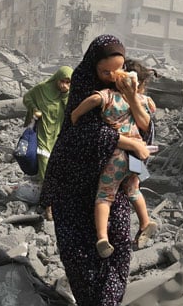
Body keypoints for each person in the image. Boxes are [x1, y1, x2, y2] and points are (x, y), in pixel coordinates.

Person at [40, 34, 150, 305]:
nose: (112, 76)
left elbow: (147, 130)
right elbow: (80, 130)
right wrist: (128, 143)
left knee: (119, 246)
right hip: (75, 185)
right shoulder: (83, 85)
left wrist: (132, 97)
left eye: (117, 70)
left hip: (114, 181)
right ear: (93, 66)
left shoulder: (127, 87)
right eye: (105, 71)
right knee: (81, 256)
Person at [70, 59, 158, 258]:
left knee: (104, 195)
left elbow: (93, 101)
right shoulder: (143, 100)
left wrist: (75, 114)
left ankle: (102, 237)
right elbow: (149, 112)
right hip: (137, 155)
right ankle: (145, 222)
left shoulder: (109, 96)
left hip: (117, 154)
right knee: (134, 189)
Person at [22, 66, 73, 181]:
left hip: (59, 131)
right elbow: (27, 98)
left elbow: (70, 110)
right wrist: (34, 109)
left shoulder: (71, 94)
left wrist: (65, 94)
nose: (64, 85)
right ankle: (45, 187)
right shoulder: (42, 89)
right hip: (44, 129)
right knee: (43, 157)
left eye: (67, 82)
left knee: (57, 159)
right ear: (56, 79)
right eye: (62, 81)